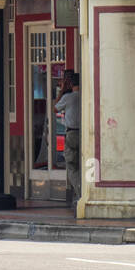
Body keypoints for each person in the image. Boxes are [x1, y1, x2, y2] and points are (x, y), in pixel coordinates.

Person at [54, 70, 81, 211]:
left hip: (71, 134)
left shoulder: (69, 97)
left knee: (72, 167)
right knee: (82, 166)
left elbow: (55, 108)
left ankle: (80, 194)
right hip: (84, 135)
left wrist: (62, 91)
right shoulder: (85, 96)